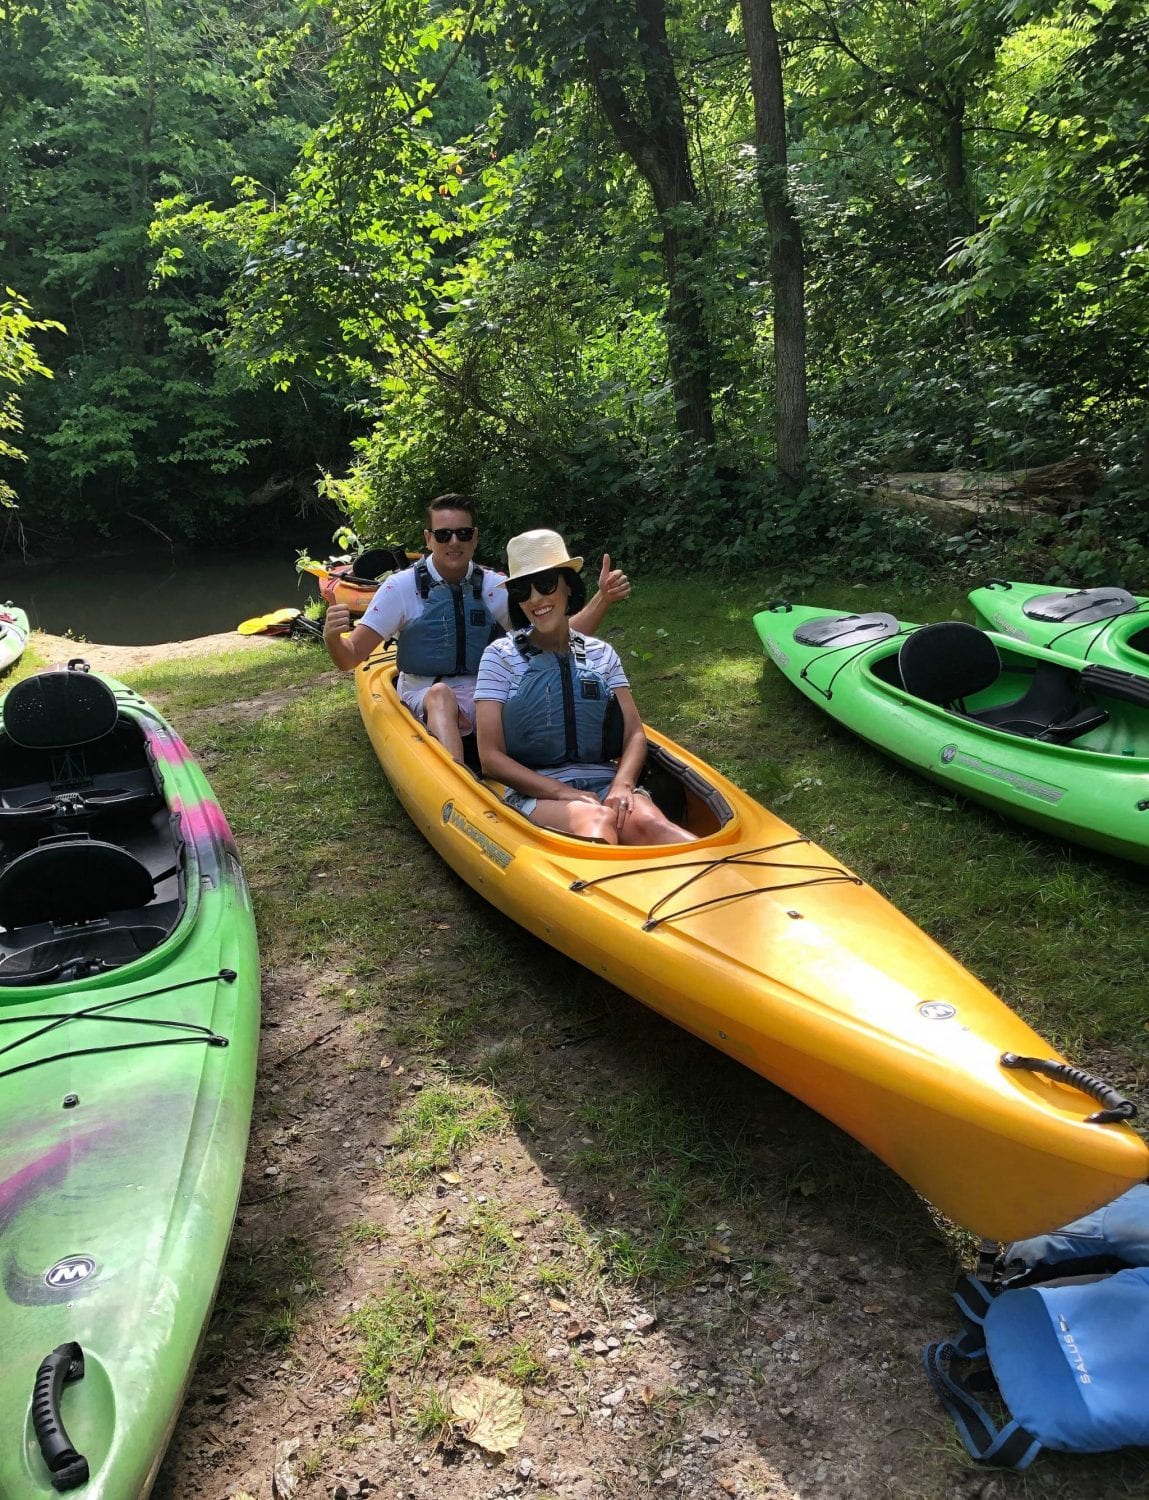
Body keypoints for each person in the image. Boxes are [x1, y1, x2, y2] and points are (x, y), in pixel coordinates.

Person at [323, 494, 629, 762]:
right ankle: (456, 777)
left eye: (463, 533)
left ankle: (558, 766)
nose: (454, 542)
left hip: (487, 687)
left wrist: (602, 599)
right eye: (443, 536)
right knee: (441, 695)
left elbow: (556, 635)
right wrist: (333, 638)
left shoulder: (496, 587)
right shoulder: (400, 589)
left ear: (475, 537)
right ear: (428, 539)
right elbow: (350, 657)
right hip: (425, 688)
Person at [474, 529, 695, 845]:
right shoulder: (499, 657)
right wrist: (565, 793)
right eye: (523, 590)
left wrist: (622, 785)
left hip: (606, 782)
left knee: (650, 823)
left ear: (568, 585)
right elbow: (490, 757)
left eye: (546, 584)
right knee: (596, 819)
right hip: (538, 793)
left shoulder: (601, 653)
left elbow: (634, 733)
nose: (535, 598)